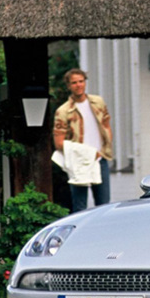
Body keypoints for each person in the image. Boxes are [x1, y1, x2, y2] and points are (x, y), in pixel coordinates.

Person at [53, 69, 113, 212]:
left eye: (81, 81)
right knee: (80, 206)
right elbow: (59, 142)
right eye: (74, 82)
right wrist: (88, 152)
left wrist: (105, 148)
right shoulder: (63, 111)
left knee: (104, 204)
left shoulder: (98, 102)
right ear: (68, 86)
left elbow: (106, 125)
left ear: (85, 82)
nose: (78, 85)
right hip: (78, 162)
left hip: (100, 159)